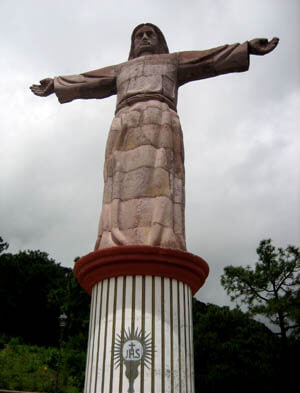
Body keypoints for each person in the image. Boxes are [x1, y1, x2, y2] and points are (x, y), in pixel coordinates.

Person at [30, 23, 279, 251]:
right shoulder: (121, 69)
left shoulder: (172, 61)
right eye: (139, 35)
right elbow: (88, 80)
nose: (145, 38)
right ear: (132, 43)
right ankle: (113, 237)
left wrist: (245, 49)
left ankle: (162, 236)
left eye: (151, 34)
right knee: (117, 181)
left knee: (162, 176)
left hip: (161, 119)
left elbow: (209, 59)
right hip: (124, 124)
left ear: (160, 41)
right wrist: (56, 84)